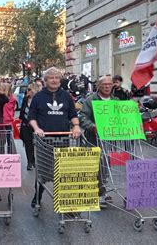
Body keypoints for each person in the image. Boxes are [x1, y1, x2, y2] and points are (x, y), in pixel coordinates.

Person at [28, 67, 82, 208]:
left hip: (63, 138)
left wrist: (76, 126)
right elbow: (31, 117)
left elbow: (73, 114)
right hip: (44, 140)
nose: (54, 80)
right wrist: (37, 128)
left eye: (57, 78)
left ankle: (64, 199)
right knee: (43, 171)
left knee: (63, 171)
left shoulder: (66, 96)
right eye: (51, 78)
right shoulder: (38, 97)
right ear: (45, 81)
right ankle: (38, 196)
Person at [79, 75, 118, 206]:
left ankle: (101, 189)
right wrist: (91, 126)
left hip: (111, 139)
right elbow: (83, 116)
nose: (107, 86)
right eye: (104, 84)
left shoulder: (116, 101)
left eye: (110, 84)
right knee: (99, 164)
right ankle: (100, 192)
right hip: (94, 138)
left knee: (106, 165)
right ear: (98, 86)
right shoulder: (90, 100)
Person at [19, 83, 42, 170]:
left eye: (29, 90)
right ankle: (30, 162)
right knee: (28, 144)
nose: (27, 91)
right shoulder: (25, 99)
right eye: (27, 90)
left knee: (36, 144)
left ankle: (35, 161)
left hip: (36, 126)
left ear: (33, 91)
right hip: (25, 125)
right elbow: (22, 112)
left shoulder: (39, 100)